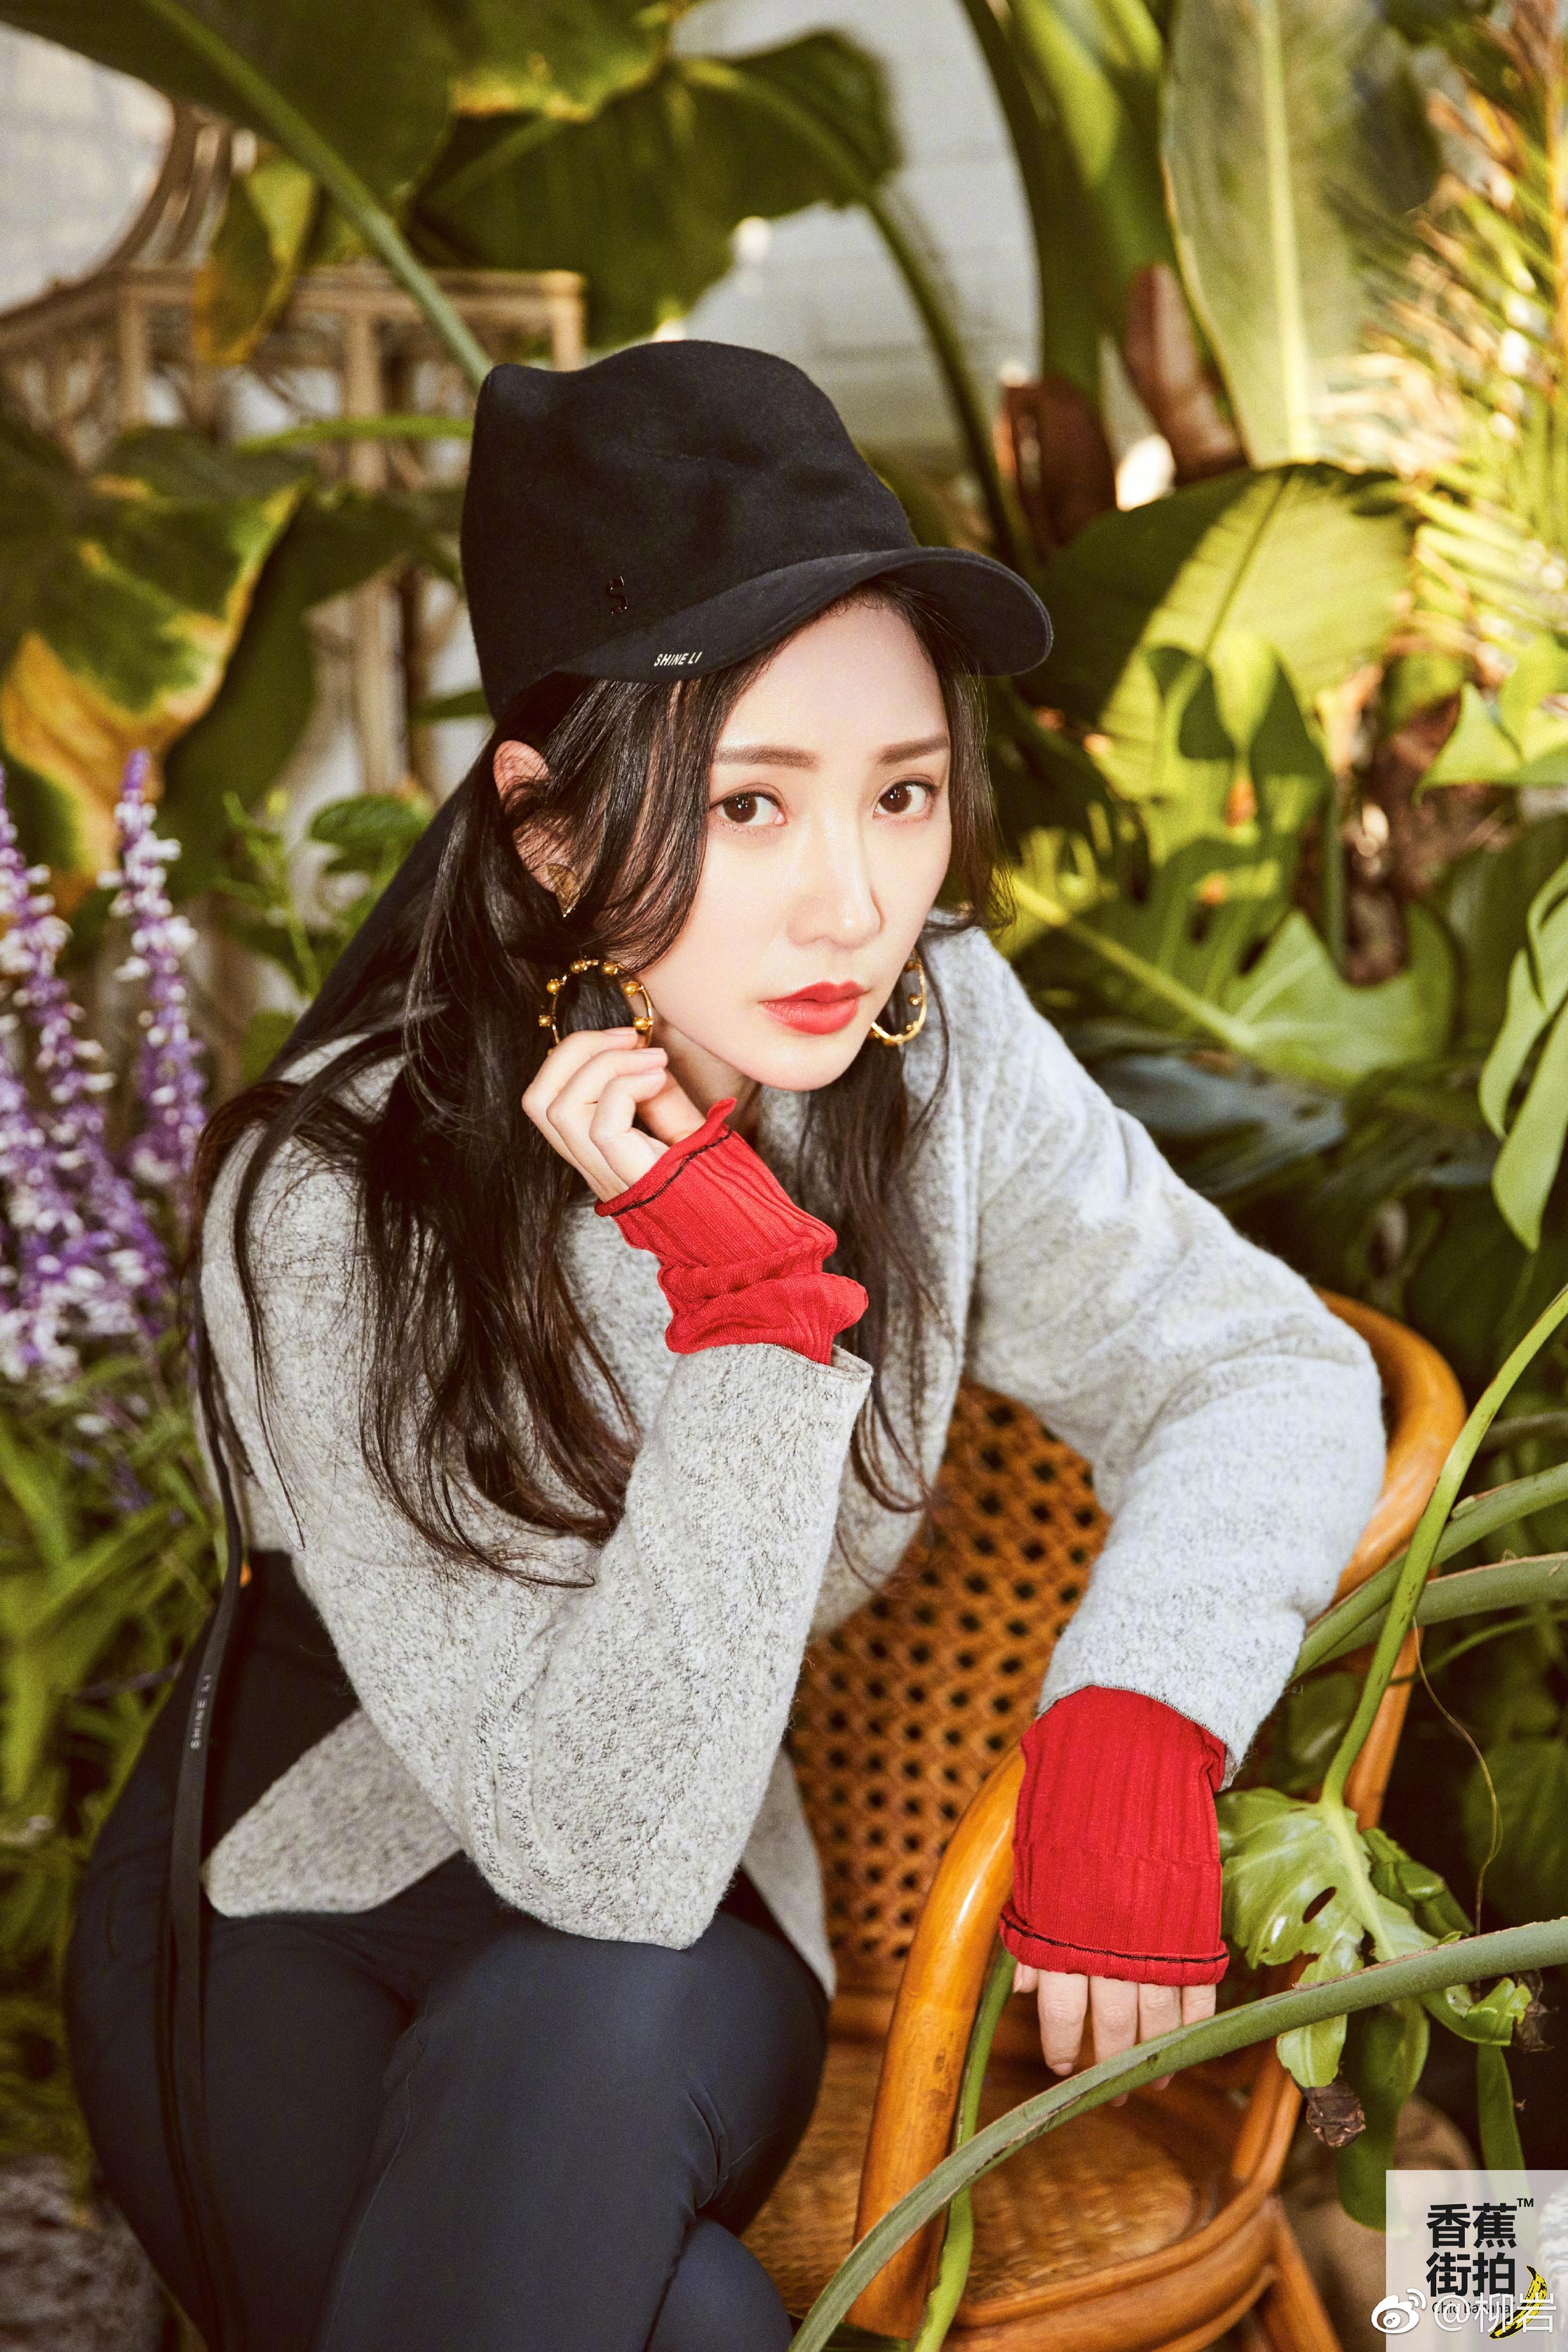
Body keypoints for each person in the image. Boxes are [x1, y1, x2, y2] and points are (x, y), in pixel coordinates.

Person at [62, 341, 1388, 2352]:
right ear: (547, 832)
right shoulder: (333, 1189)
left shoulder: (933, 1050)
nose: (848, 905)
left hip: (679, 1918)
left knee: (586, 2085)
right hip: (293, 1896)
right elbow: (587, 1834)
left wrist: (1140, 1708)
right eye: (749, 805)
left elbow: (1255, 1365)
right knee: (680, 2321)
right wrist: (753, 1317)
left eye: (900, 793)